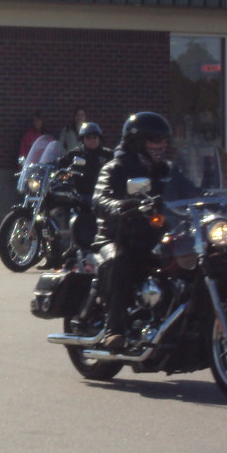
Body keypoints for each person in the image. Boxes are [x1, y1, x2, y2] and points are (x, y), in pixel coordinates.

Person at [92, 112, 173, 351]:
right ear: (138, 142)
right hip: (116, 236)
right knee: (120, 261)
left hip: (154, 238)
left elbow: (190, 190)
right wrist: (118, 206)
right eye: (155, 141)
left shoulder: (166, 170)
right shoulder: (115, 168)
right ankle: (114, 329)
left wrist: (210, 197)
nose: (161, 146)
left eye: (164, 141)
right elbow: (99, 198)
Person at [55, 122, 113, 262]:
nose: (92, 140)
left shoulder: (107, 155)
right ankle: (71, 245)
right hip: (79, 195)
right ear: (82, 139)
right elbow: (59, 163)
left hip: (101, 196)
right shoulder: (77, 154)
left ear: (99, 138)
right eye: (88, 137)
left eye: (94, 137)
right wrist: (53, 168)